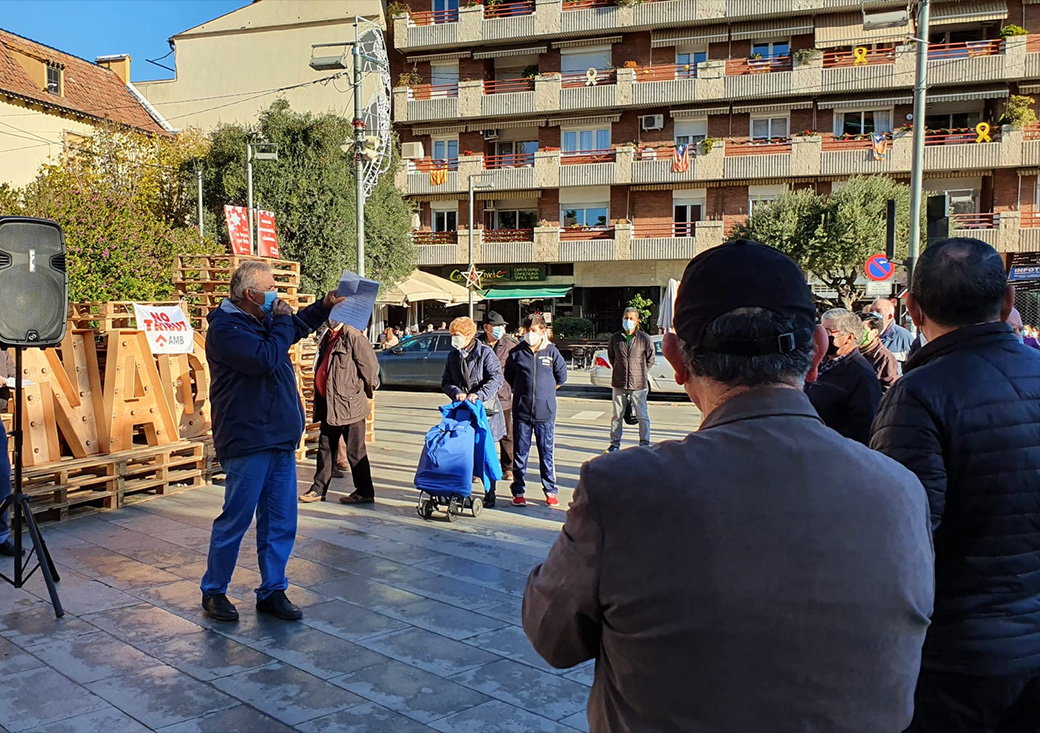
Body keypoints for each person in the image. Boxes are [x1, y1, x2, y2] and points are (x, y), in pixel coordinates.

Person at [523, 239, 933, 732]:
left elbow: (551, 635)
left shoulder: (622, 490)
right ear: (817, 353)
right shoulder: (901, 491)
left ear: (675, 360)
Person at [871, 238, 1040, 732]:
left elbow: (902, 537)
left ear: (914, 309)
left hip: (959, 657)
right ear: (1007, 301)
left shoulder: (918, 397)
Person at [201, 261, 344, 622]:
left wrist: (324, 306)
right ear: (250, 294)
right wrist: (281, 320)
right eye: (270, 289)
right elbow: (266, 358)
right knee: (236, 519)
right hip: (247, 439)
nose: (276, 296)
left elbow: (293, 328)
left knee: (280, 520)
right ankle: (214, 591)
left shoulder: (261, 320)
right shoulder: (226, 328)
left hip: (278, 436)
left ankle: (273, 589)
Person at [299, 319, 379, 505]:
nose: (329, 318)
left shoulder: (352, 336)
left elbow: (370, 368)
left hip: (349, 404)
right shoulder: (327, 336)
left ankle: (365, 491)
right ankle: (318, 489)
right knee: (325, 446)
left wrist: (359, 392)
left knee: (355, 450)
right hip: (329, 402)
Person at [505, 314, 567, 507]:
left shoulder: (552, 353)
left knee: (546, 453)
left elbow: (561, 377)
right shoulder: (516, 353)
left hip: (545, 413)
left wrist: (546, 393)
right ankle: (518, 491)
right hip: (522, 412)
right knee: (520, 453)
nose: (530, 335)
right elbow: (510, 377)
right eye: (527, 331)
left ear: (542, 331)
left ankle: (550, 490)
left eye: (534, 331)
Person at [441, 316, 505, 498]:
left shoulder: (485, 353)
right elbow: (446, 381)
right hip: (463, 411)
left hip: (485, 411)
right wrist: (456, 392)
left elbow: (496, 378)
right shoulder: (453, 355)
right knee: (461, 451)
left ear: (469, 335)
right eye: (452, 334)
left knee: (486, 451)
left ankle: (490, 491)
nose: (454, 338)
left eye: (457, 334)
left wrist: (479, 394)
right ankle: (461, 489)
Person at [804, 308, 881, 445]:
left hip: (833, 449)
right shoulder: (820, 361)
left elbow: (863, 426)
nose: (821, 337)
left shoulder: (862, 374)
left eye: (828, 332)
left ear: (849, 338)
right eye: (820, 331)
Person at [605, 307, 654, 453]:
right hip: (619, 382)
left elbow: (650, 359)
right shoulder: (615, 338)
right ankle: (614, 443)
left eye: (631, 318)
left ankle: (645, 444)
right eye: (626, 318)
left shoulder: (644, 338)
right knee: (616, 415)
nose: (628, 321)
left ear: (637, 321)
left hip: (639, 383)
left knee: (642, 415)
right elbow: (612, 358)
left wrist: (640, 372)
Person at [482, 311, 518, 482]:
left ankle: (508, 468)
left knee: (507, 434)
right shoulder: (478, 344)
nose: (500, 329)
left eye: (502, 326)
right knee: (481, 433)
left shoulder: (509, 344)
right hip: (482, 396)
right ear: (486, 328)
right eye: (496, 326)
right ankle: (479, 468)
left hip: (503, 395)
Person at [858, 311, 900, 393]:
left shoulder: (884, 357)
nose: (857, 334)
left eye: (862, 330)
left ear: (875, 332)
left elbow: (888, 389)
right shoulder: (850, 351)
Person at [867, 297, 913, 364]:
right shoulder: (864, 333)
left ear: (890, 316)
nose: (873, 314)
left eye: (878, 311)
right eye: (871, 310)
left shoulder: (903, 337)